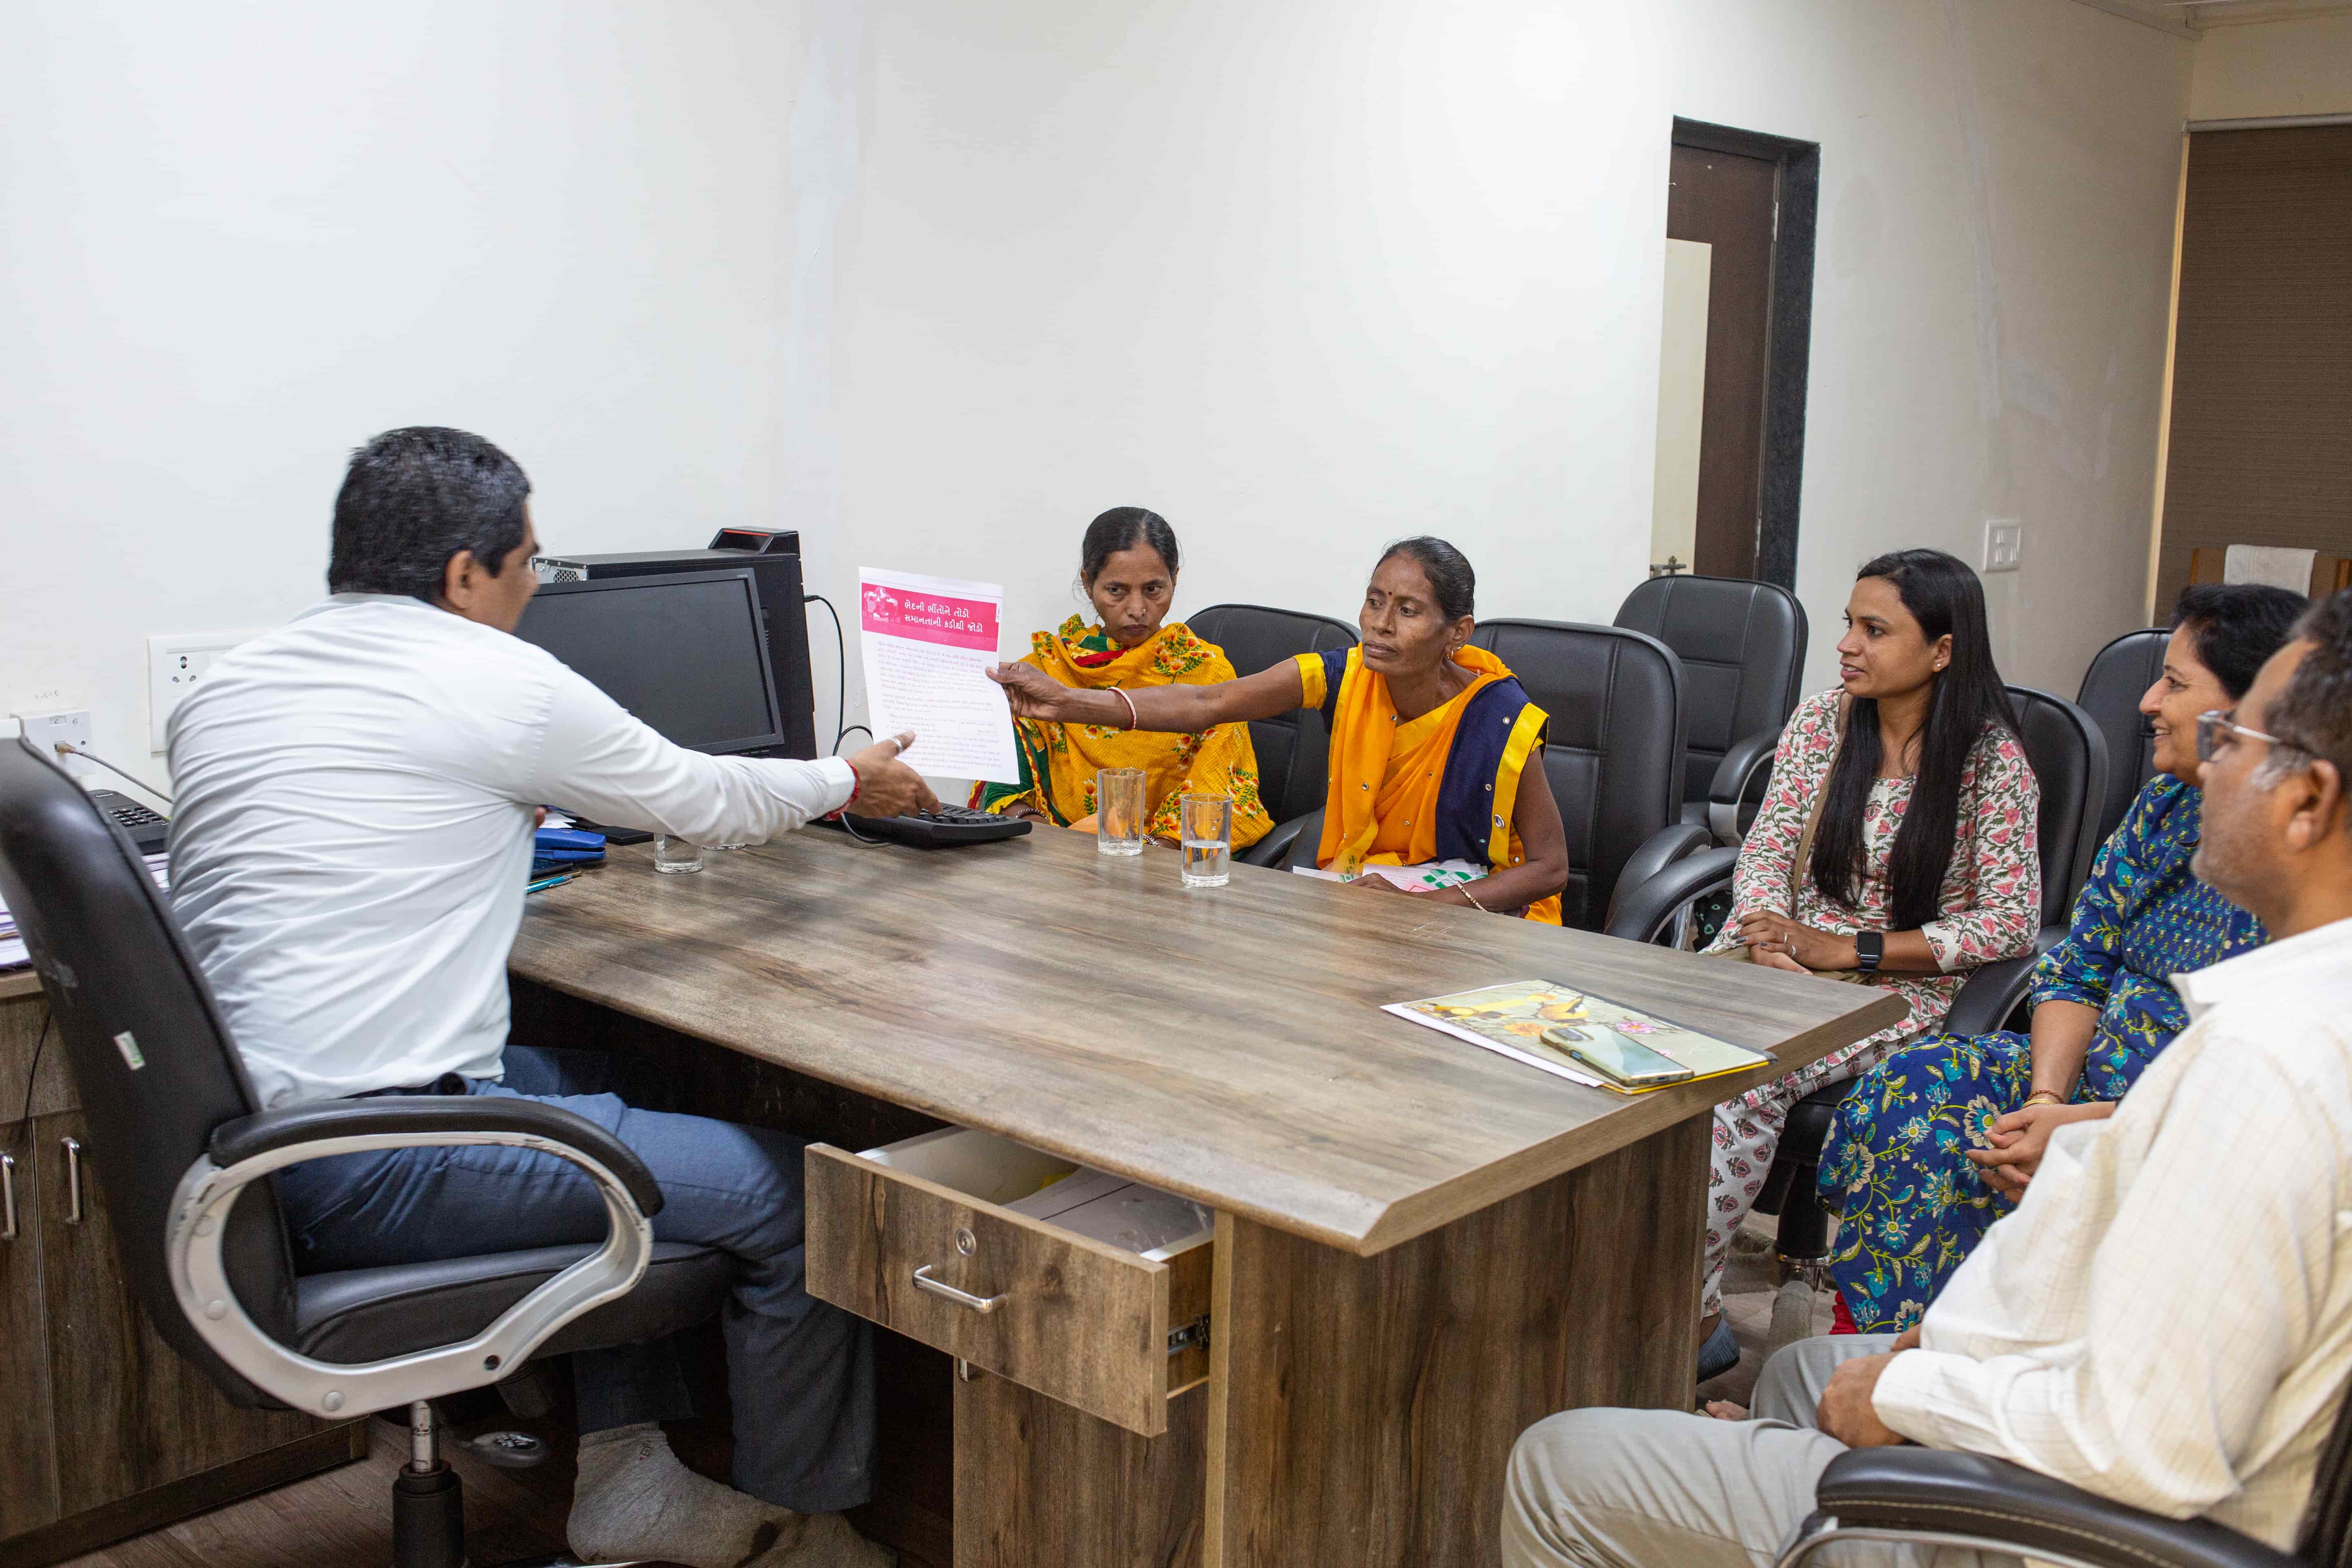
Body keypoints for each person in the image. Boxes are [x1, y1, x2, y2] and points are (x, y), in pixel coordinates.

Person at [167, 428, 926, 1568]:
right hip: (378, 1154)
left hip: (254, 1138)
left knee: (640, 1080)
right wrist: (844, 778)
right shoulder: (493, 682)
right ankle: (801, 1533)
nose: (534, 588)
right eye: (527, 563)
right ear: (462, 573)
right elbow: (701, 798)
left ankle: (627, 1469)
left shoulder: (231, 685)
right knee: (805, 1196)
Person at [1503, 587, 2352, 1568]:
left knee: (1553, 1461)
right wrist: (1947, 1340)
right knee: (1795, 1375)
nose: (2177, 733)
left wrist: (1913, 1393)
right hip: (2060, 1373)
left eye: (2230, 738)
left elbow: (2147, 1443)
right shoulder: (2279, 1026)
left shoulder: (2263, 1064)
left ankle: (1788, 1465)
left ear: (2306, 800)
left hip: (2050, 1522)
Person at [1821, 583, 2307, 1333]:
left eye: (2175, 685)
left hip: (2189, 1122)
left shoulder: (2305, 863)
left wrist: (2094, 1128)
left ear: (2256, 710)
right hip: (2081, 1075)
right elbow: (2080, 965)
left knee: (2028, 1169)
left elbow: (2259, 1092)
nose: (2147, 703)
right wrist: (2047, 1102)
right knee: (1914, 1090)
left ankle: (1960, 1365)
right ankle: (1875, 1352)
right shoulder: (2164, 807)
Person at [1695, 550, 2039, 1372]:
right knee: (1633, 1049)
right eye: (1849, 623)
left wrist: (1849, 950)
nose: (1847, 644)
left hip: (1896, 988)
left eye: (1875, 630)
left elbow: (2011, 923)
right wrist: (1768, 933)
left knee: (1737, 1077)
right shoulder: (1824, 722)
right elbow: (1766, 849)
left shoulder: (1992, 764)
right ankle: (1652, 1291)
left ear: (1943, 650)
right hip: (1776, 960)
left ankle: (1684, 1313)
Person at [988, 536, 1571, 921]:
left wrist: (1425, 906)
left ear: (1458, 632)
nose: (1380, 624)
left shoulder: (1498, 717)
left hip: (1478, 915)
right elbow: (1208, 701)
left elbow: (1550, 869)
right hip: (1364, 900)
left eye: (1408, 611)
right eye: (1374, 602)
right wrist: (1069, 702)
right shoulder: (1344, 675)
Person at [969, 507, 1272, 848]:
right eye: (1117, 591)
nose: (1137, 610)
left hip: (1164, 862)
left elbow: (1215, 796)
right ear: (1088, 584)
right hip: (1054, 853)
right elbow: (1008, 792)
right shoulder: (1046, 672)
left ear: (1174, 578)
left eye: (1154, 589)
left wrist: (1146, 854)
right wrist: (1058, 848)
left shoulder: (1209, 675)